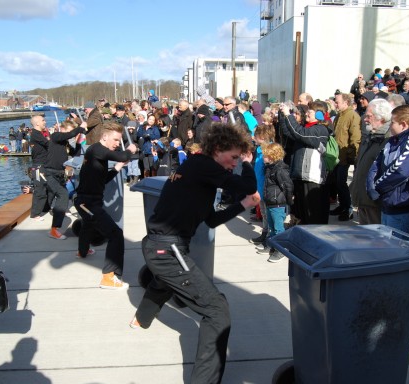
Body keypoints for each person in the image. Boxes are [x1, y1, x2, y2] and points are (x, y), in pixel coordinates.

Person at [129, 123, 259, 384]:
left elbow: (210, 220)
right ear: (219, 149)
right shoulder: (203, 165)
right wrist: (247, 162)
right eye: (233, 157)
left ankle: (140, 320)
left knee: (166, 279)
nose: (235, 163)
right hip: (167, 248)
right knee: (217, 309)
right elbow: (247, 184)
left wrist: (243, 205)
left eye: (238, 159)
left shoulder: (198, 171)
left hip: (163, 246)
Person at [74, 123, 137, 288]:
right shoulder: (97, 149)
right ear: (104, 137)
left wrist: (117, 168)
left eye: (120, 140)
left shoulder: (97, 154)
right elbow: (124, 156)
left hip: (87, 201)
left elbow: (103, 179)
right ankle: (109, 277)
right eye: (115, 140)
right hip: (87, 203)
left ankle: (82, 251)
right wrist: (130, 150)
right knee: (115, 234)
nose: (117, 143)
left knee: (88, 225)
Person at [366, 105, 409, 233]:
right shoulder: (391, 141)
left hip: (400, 204)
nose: (390, 125)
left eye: (392, 122)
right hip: (387, 202)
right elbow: (376, 163)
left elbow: (401, 170)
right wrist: (370, 184)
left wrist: (377, 186)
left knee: (396, 247)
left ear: (403, 125)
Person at [279, 101, 330, 224]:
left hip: (312, 178)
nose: (306, 113)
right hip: (302, 175)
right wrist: (282, 115)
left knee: (312, 213)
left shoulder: (320, 130)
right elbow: (289, 132)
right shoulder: (307, 128)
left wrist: (288, 115)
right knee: (302, 213)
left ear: (319, 114)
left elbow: (298, 133)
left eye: (309, 111)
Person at [44, 120, 86, 240]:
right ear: (63, 129)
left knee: (63, 195)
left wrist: (78, 142)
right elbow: (68, 135)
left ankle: (55, 222)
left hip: (59, 174)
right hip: (50, 173)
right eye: (69, 130)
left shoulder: (65, 143)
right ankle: (54, 230)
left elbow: (75, 154)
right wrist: (80, 128)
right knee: (63, 195)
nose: (70, 134)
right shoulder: (55, 136)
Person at [351, 99, 391, 225]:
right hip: (363, 199)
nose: (365, 119)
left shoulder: (388, 140)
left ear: (381, 118)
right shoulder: (370, 136)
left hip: (374, 202)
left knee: (375, 240)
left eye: (369, 116)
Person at [257, 143, 294, 263]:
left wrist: (288, 201)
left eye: (265, 155)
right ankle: (272, 245)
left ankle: (281, 250)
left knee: (278, 229)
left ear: (273, 156)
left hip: (278, 204)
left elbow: (288, 186)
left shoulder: (280, 170)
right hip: (270, 203)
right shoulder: (269, 167)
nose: (263, 157)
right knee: (272, 227)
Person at [330, 93, 361, 221]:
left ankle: (348, 209)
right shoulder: (339, 115)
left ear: (346, 103)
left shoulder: (352, 115)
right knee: (337, 183)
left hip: (344, 156)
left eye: (337, 102)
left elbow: (355, 137)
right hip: (336, 155)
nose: (335, 104)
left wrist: (351, 155)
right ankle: (342, 206)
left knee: (341, 183)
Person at [29, 115, 50, 221]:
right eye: (43, 120)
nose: (45, 122)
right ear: (37, 123)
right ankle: (35, 214)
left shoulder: (39, 134)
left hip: (44, 164)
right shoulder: (36, 134)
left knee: (46, 188)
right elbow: (48, 143)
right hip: (38, 166)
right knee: (40, 190)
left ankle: (45, 208)